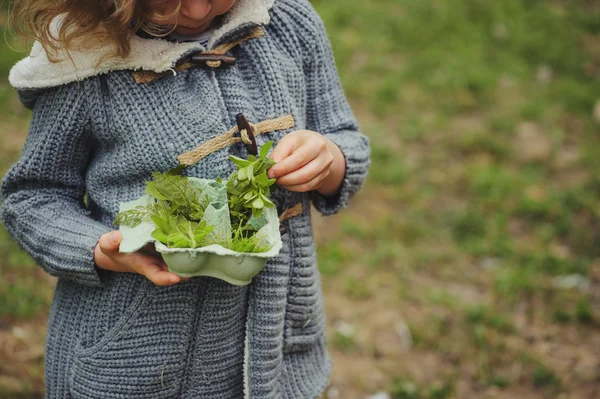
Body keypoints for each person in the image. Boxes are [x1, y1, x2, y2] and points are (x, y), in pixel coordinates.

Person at [1, 0, 370, 397]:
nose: (195, 10)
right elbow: (32, 196)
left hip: (279, 352)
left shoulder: (286, 25)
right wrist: (95, 248)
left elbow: (344, 135)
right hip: (140, 363)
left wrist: (330, 159)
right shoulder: (86, 59)